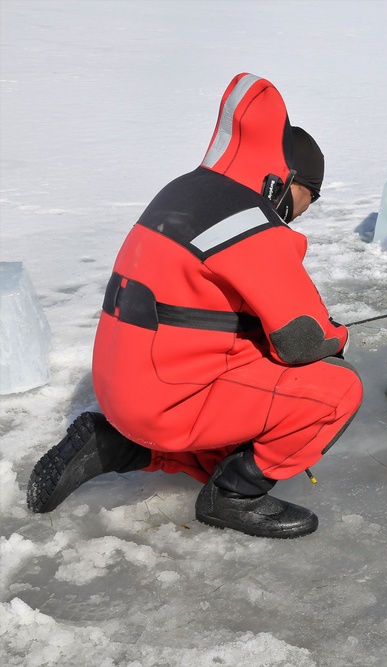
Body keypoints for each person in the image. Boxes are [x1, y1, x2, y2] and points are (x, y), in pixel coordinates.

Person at [26, 73, 363, 539]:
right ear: (289, 180)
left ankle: (117, 447)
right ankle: (235, 498)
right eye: (310, 197)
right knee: (336, 390)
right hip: (163, 395)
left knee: (249, 387)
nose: (304, 211)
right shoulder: (252, 222)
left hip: (122, 383)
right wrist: (340, 335)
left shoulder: (183, 190)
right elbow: (304, 339)